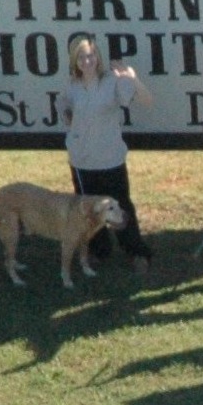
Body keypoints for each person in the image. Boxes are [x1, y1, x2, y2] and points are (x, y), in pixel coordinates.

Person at [55, 36, 154, 273]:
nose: (87, 61)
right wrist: (69, 118)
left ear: (98, 57)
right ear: (74, 61)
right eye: (81, 57)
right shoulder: (72, 84)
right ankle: (99, 250)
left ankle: (135, 251)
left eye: (91, 55)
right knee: (89, 209)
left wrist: (133, 79)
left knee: (121, 206)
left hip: (110, 158)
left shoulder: (112, 81)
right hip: (82, 161)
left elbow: (147, 101)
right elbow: (63, 105)